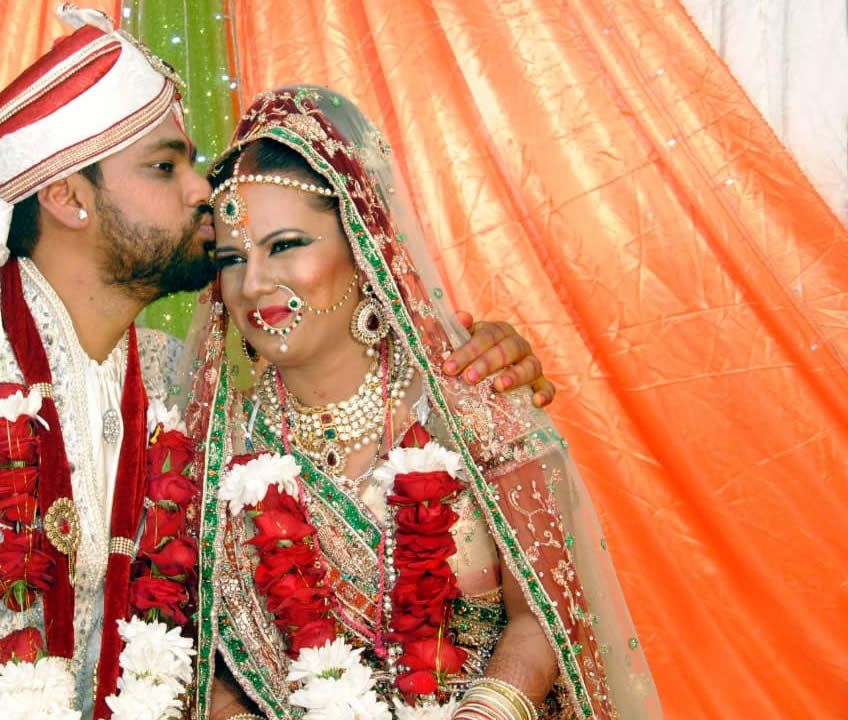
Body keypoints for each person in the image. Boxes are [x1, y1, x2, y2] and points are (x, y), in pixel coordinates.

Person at [0, 7, 552, 718]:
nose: (205, 191)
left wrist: (473, 352)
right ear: (68, 198)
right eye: (167, 166)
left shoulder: (179, 383)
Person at [185, 86, 662, 720]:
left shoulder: (478, 406)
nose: (252, 284)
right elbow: (199, 655)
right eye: (231, 257)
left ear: (364, 246)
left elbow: (548, 617)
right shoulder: (215, 446)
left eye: (286, 245)